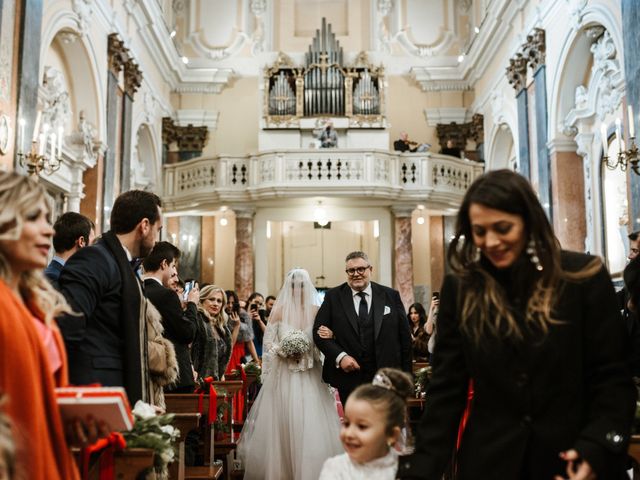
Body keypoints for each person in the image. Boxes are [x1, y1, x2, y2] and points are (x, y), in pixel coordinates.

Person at [398, 169, 636, 480]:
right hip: (492, 460)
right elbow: (447, 390)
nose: (491, 241)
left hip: (573, 456)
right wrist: (423, 468)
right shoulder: (464, 287)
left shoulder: (583, 276)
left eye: (502, 228)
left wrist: (596, 447)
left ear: (528, 220)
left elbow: (612, 379)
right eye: (479, 232)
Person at [0, 172, 80, 479]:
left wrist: (73, 421)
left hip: (46, 452)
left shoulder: (33, 301)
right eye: (34, 217)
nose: (48, 230)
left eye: (49, 219)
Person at [58, 189, 163, 404]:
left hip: (116, 389)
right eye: (157, 229)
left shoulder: (122, 264)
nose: (156, 239)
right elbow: (67, 326)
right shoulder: (95, 258)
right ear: (144, 226)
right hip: (94, 392)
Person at [238, 268, 343, 480]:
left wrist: (309, 350)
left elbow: (323, 340)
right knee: (284, 420)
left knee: (311, 422)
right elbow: (268, 343)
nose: (297, 289)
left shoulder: (316, 310)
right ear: (289, 286)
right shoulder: (278, 311)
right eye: (294, 284)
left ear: (307, 286)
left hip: (309, 374)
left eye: (302, 285)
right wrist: (284, 351)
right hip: (285, 375)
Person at [313, 251, 412, 403]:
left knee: (384, 422)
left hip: (386, 376)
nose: (356, 274)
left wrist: (407, 376)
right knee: (356, 422)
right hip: (349, 377)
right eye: (351, 270)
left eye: (361, 269)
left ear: (370, 269)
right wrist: (341, 357)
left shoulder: (390, 295)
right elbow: (318, 333)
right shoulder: (333, 297)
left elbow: (404, 338)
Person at [319, 368, 413, 480]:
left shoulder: (403, 472)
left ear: (391, 435)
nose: (349, 433)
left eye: (362, 426)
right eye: (347, 424)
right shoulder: (335, 469)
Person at [142, 241, 199, 394]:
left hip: (147, 371)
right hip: (174, 377)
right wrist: (192, 305)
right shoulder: (166, 295)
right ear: (164, 264)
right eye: (173, 265)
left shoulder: (137, 290)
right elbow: (187, 334)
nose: (174, 272)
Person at [191, 285, 234, 381]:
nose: (215, 304)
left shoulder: (222, 327)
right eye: (211, 299)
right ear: (201, 301)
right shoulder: (197, 319)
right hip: (197, 379)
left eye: (219, 301)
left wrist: (221, 374)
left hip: (215, 381)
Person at [44, 211, 95, 288]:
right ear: (81, 242)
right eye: (93, 242)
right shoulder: (55, 279)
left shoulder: (57, 275)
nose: (94, 249)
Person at [247, 292, 267, 357]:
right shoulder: (242, 314)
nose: (258, 306)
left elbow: (268, 334)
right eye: (256, 302)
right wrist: (247, 318)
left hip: (260, 352)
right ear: (250, 301)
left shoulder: (262, 317)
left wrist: (260, 321)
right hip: (247, 353)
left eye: (260, 304)